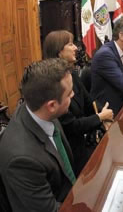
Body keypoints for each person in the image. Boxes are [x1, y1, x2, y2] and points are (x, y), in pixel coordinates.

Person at [0, 58, 75, 211]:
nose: (73, 95)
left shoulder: (39, 110)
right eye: (69, 93)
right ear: (52, 106)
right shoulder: (22, 160)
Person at [42, 30, 114, 175]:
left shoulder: (71, 74)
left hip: (83, 140)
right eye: (70, 44)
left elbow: (89, 102)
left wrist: (105, 116)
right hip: (68, 151)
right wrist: (100, 118)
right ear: (59, 52)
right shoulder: (51, 83)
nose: (76, 47)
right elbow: (70, 125)